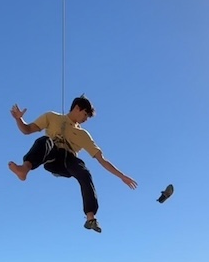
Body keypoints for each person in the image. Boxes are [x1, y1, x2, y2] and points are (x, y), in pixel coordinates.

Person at [8, 95, 137, 233]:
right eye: (85, 114)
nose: (85, 119)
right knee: (45, 141)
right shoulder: (52, 117)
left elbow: (101, 159)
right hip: (52, 155)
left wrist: (121, 176)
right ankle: (24, 169)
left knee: (85, 173)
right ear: (77, 108)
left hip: (68, 161)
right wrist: (18, 119)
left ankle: (90, 218)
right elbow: (27, 130)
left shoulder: (83, 135)